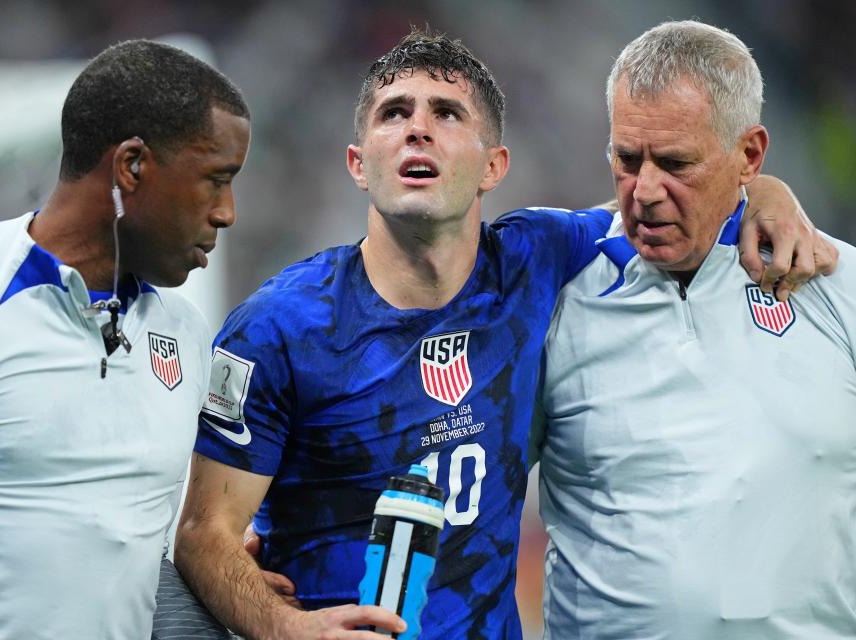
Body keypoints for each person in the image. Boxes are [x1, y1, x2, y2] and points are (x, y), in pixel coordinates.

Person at [173, 29, 834, 640]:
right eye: (394, 113)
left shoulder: (535, 260)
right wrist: (288, 630)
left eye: (447, 114)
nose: (418, 132)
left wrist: (765, 191)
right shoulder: (277, 328)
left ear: (494, 166)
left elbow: (672, 201)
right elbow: (204, 534)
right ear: (356, 161)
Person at [0, 40, 251, 639]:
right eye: (216, 180)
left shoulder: (186, 335)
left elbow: (132, 554)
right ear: (131, 166)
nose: (227, 212)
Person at [538, 20, 856, 638]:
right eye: (627, 160)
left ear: (749, 155)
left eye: (677, 163)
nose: (645, 191)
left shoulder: (837, 285)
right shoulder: (552, 297)